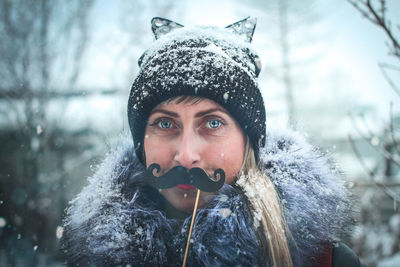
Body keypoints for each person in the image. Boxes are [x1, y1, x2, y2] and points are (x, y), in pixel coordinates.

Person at [61, 17, 366, 266]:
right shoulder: (92, 258)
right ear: (142, 142)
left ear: (248, 140)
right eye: (165, 124)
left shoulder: (324, 261)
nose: (185, 156)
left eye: (212, 123)